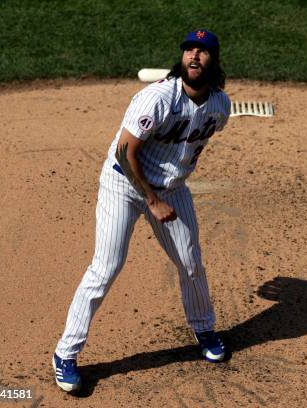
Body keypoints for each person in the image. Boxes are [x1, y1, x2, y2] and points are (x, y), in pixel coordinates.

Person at [52, 29, 231, 392]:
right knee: (106, 267)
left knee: (191, 262)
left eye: (203, 51)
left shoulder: (220, 107)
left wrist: (166, 192)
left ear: (214, 60)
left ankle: (203, 328)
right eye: (188, 50)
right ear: (181, 57)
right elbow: (123, 152)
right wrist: (152, 200)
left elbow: (186, 145)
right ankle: (65, 354)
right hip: (124, 183)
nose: (194, 56)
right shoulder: (155, 99)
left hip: (172, 189)